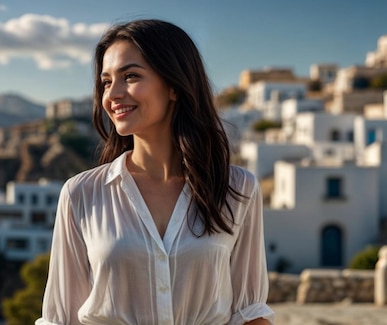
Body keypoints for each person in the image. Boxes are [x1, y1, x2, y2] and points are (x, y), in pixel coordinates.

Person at [36, 19, 274, 325]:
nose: (113, 94)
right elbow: (61, 318)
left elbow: (250, 312)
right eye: (106, 82)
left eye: (130, 76)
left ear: (174, 86)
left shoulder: (237, 188)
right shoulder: (82, 193)